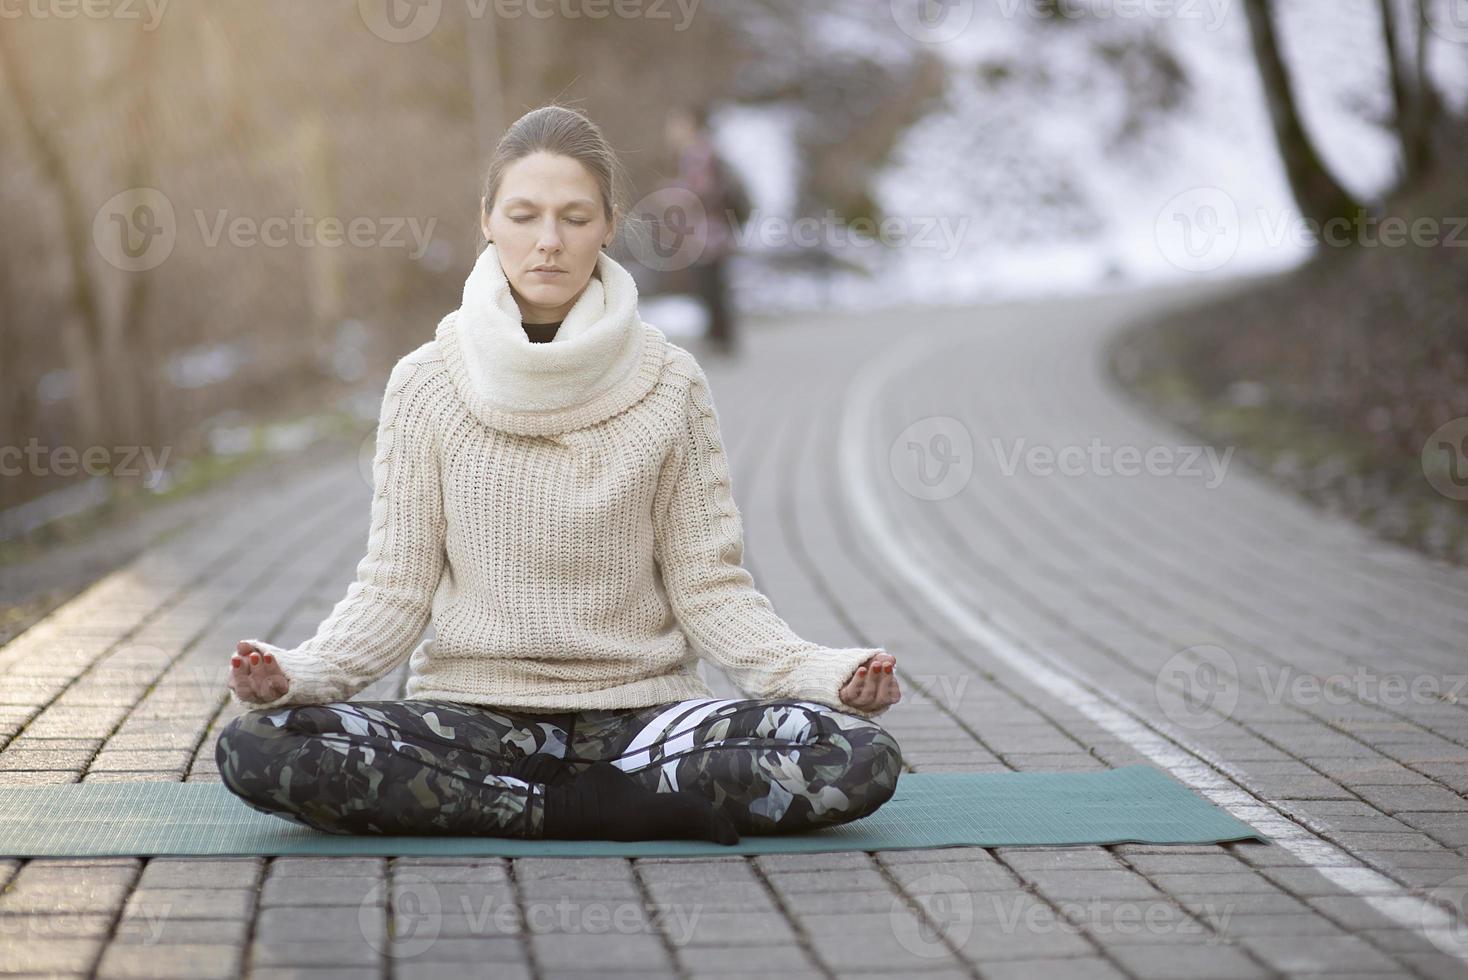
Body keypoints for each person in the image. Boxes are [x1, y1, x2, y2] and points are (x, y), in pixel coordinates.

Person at [215, 104, 903, 843]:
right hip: (471, 723)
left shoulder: (670, 381)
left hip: (643, 731)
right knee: (258, 745)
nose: (548, 241)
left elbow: (711, 589)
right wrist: (301, 674)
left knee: (854, 755)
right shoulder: (425, 384)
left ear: (609, 225)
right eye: (524, 214)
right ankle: (571, 810)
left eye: (575, 217)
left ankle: (515, 807)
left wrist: (820, 673)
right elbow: (393, 587)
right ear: (487, 220)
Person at [664, 102, 744, 357]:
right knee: (713, 285)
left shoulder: (698, 153)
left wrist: (673, 193)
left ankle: (720, 340)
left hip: (708, 233)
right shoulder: (706, 150)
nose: (671, 130)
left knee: (710, 285)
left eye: (677, 123)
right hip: (713, 231)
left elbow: (701, 192)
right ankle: (721, 338)